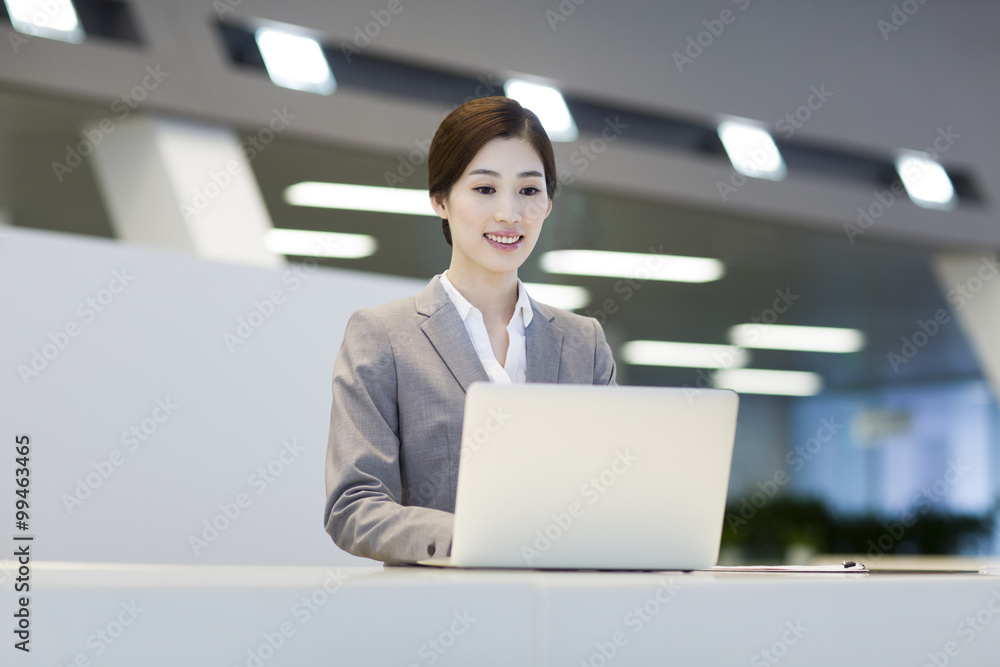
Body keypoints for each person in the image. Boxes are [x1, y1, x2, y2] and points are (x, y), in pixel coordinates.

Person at [323, 96, 617, 563]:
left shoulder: (585, 343)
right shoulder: (382, 336)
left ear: (547, 202)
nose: (509, 214)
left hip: (560, 618)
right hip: (438, 619)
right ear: (441, 200)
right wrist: (474, 538)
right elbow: (354, 506)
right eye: (484, 189)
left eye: (528, 190)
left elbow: (612, 493)